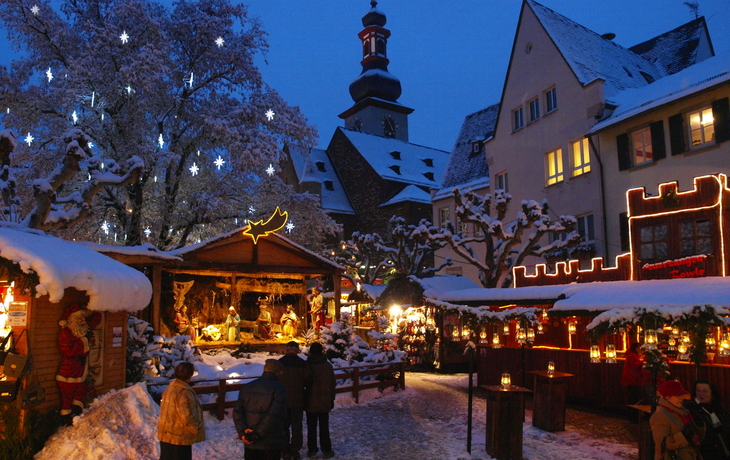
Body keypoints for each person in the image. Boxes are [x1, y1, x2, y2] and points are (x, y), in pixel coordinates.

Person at [56, 303, 101, 426]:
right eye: (79, 318)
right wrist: (85, 341)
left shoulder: (81, 329)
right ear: (71, 319)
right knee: (67, 396)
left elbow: (95, 320)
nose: (82, 320)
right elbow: (68, 351)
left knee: (80, 392)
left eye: (82, 317)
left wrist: (95, 306)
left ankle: (76, 415)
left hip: (80, 369)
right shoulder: (65, 333)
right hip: (68, 370)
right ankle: (66, 420)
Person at [234, 359, 288, 460]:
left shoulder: (248, 387)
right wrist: (257, 433)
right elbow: (274, 415)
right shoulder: (279, 388)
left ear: (264, 369)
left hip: (250, 439)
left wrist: (243, 433)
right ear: (278, 373)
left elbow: (238, 411)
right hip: (271, 440)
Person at [157, 362, 206, 460]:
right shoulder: (184, 392)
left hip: (167, 434)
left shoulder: (170, 388)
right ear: (190, 375)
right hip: (179, 437)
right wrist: (197, 427)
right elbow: (187, 416)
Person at [650, 380, 704, 460]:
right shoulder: (660, 415)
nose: (681, 398)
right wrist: (683, 435)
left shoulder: (683, 412)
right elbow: (661, 444)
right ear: (667, 397)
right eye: (677, 395)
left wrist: (699, 426)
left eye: (681, 395)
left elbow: (695, 436)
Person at [279, 341, 310, 460]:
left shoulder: (280, 363)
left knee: (283, 427)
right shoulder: (302, 364)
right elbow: (308, 380)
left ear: (286, 350)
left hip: (282, 401)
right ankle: (295, 450)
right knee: (297, 427)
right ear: (297, 351)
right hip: (298, 400)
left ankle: (285, 450)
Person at [305, 343, 336, 459]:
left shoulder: (307, 365)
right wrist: (331, 398)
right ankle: (326, 450)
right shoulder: (327, 366)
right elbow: (332, 384)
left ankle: (312, 450)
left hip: (310, 401)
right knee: (324, 427)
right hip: (324, 401)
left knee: (311, 427)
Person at [685, 379, 730, 460]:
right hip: (702, 453)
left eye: (705, 391)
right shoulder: (689, 409)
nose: (701, 394)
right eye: (698, 391)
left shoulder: (720, 410)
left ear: (712, 394)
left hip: (721, 453)